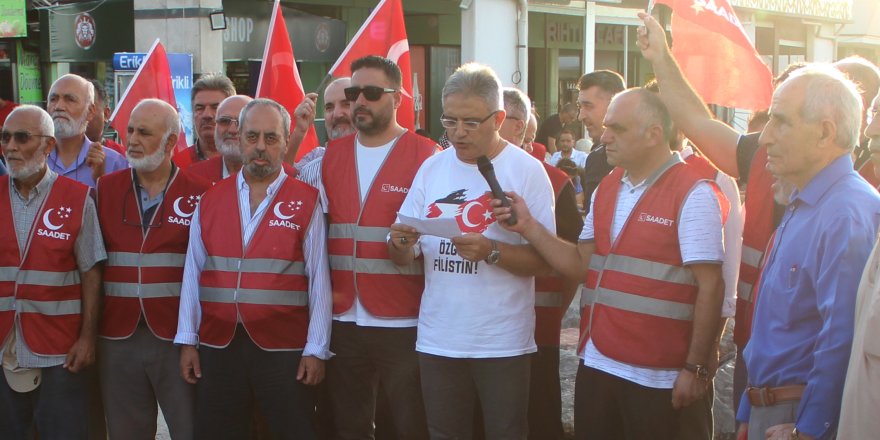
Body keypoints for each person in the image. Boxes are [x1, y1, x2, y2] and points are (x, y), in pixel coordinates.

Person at [495, 88, 726, 439]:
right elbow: (580, 264)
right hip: (599, 365)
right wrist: (528, 226)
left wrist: (695, 369)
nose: (604, 137)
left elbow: (711, 286)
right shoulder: (608, 188)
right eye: (606, 127)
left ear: (654, 134)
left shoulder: (693, 193)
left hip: (659, 377)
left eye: (617, 128)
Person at [389, 63, 555, 439]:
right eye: (449, 121)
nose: (457, 133)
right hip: (438, 338)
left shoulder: (527, 171)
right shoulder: (432, 168)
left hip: (501, 342)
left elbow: (545, 263)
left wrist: (491, 251)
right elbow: (402, 253)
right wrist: (398, 244)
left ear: (498, 118)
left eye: (470, 123)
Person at [735, 66, 880, 440]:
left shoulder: (848, 212)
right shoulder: (805, 201)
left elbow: (843, 335)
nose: (764, 137)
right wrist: (749, 409)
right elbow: (775, 323)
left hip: (797, 416)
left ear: (825, 133)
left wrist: (811, 428)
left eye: (780, 122)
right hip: (774, 410)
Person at [175, 98, 332, 439]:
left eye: (271, 138)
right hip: (219, 347)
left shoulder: (306, 200)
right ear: (240, 139)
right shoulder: (211, 199)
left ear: (286, 141)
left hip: (284, 348)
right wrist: (187, 339)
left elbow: (319, 279)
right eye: (252, 137)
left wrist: (316, 348)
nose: (261, 147)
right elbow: (193, 272)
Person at [316, 56, 436, 440]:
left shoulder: (426, 155)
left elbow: (433, 237)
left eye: (370, 92)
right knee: (348, 426)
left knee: (407, 425)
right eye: (353, 93)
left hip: (402, 318)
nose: (359, 102)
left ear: (398, 97)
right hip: (343, 318)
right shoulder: (329, 156)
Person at [96, 99, 210, 440]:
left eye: (144, 132)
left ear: (171, 141)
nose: (131, 139)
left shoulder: (202, 195)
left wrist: (195, 337)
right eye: (129, 130)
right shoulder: (104, 189)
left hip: (178, 338)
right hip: (117, 337)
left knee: (190, 431)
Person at [0, 105, 105, 439]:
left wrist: (88, 338)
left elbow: (91, 272)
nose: (10, 146)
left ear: (47, 146)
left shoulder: (76, 199)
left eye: (21, 137)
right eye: (5, 137)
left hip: (60, 351)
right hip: (4, 347)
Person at [501, 85, 583, 440]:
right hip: (479, 330)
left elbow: (575, 261)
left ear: (516, 125)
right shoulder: (457, 173)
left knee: (538, 418)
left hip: (538, 330)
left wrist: (555, 310)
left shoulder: (554, 181)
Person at [46, 74, 128, 188]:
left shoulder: (114, 163)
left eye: (70, 99)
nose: (59, 106)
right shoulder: (33, 158)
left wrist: (101, 180)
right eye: (53, 99)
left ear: (90, 111)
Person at [291, 76, 356, 189]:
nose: (336, 114)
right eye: (329, 107)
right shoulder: (314, 158)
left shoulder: (384, 161)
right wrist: (299, 132)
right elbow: (280, 183)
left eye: (347, 104)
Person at [575, 70, 625, 215]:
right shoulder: (597, 155)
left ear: (615, 104)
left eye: (588, 106)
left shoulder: (602, 156)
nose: (580, 116)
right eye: (580, 107)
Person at [172, 74, 236, 169]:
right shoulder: (176, 166)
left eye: (215, 107)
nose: (207, 115)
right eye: (200, 108)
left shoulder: (247, 162)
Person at [185, 95, 253, 184]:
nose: (232, 130)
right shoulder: (193, 175)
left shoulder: (273, 176)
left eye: (241, 122)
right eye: (224, 121)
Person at [86, 79, 126, 156]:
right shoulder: (57, 153)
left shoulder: (122, 158)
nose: (81, 113)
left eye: (88, 108)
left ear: (106, 114)